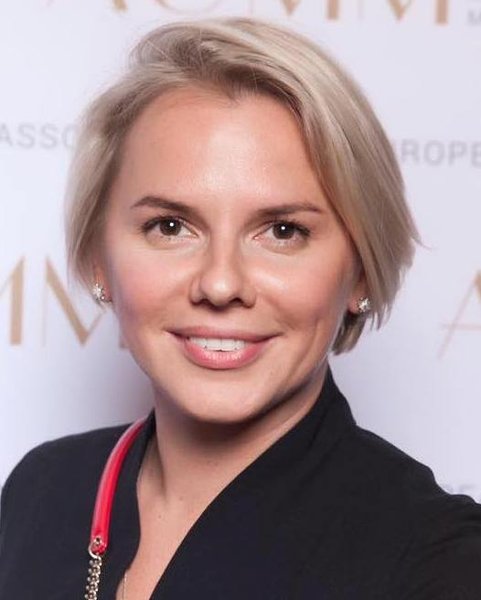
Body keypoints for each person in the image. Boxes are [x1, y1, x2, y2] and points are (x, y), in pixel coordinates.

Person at [0, 16, 480, 600]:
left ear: (360, 270)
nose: (221, 283)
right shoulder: (43, 492)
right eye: (169, 226)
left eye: (282, 231)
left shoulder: (440, 560)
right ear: (99, 259)